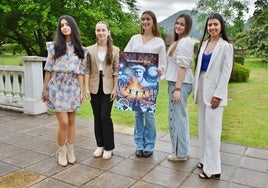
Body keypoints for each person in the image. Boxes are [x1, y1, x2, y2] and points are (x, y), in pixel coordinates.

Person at [41, 15, 88, 167]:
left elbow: (81, 72)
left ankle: (70, 150)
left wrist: (82, 91)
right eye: (62, 25)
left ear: (72, 27)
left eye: (67, 24)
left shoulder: (81, 49)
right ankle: (61, 151)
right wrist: (44, 89)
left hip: (73, 86)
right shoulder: (53, 47)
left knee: (72, 121)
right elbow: (48, 69)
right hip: (57, 87)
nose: (64, 27)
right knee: (64, 122)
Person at [193, 13, 233, 179]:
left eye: (215, 24)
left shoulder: (226, 46)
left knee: (213, 132)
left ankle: (213, 169)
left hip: (215, 91)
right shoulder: (203, 44)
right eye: (209, 25)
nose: (212, 28)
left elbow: (226, 72)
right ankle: (204, 160)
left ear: (221, 26)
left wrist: (218, 95)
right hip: (202, 87)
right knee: (203, 128)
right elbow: (198, 69)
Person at [124, 11, 167, 158]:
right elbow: (126, 57)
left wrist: (158, 70)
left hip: (150, 84)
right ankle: (139, 145)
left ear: (153, 22)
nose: (145, 21)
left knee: (148, 115)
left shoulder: (159, 42)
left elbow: (162, 65)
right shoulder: (134, 39)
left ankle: (149, 145)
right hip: (135, 83)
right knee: (137, 115)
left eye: (148, 19)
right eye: (143, 19)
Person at [85, 21, 119, 160]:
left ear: (108, 32)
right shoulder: (89, 49)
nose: (100, 32)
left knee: (105, 115)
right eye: (98, 30)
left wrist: (115, 88)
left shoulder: (115, 50)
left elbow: (117, 71)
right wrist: (86, 88)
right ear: (95, 32)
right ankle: (100, 145)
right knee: (96, 116)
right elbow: (86, 69)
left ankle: (109, 147)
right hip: (94, 85)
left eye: (103, 30)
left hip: (108, 86)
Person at [165, 14, 194, 162]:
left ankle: (180, 154)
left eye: (182, 24)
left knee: (177, 119)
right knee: (180, 118)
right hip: (175, 83)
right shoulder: (178, 42)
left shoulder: (185, 43)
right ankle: (182, 151)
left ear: (187, 27)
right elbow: (172, 65)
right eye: (177, 23)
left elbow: (183, 66)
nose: (178, 26)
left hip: (180, 84)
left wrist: (177, 88)